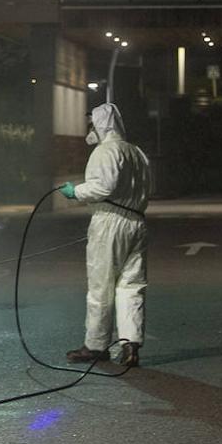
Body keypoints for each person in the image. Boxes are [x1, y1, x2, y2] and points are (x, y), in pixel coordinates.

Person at [59, 101, 152, 368]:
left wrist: (75, 192)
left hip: (109, 223)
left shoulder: (105, 151)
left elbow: (103, 187)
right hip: (137, 222)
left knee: (101, 285)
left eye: (92, 124)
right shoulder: (137, 153)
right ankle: (130, 345)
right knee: (131, 286)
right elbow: (149, 186)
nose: (90, 129)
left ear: (101, 124)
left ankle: (96, 345)